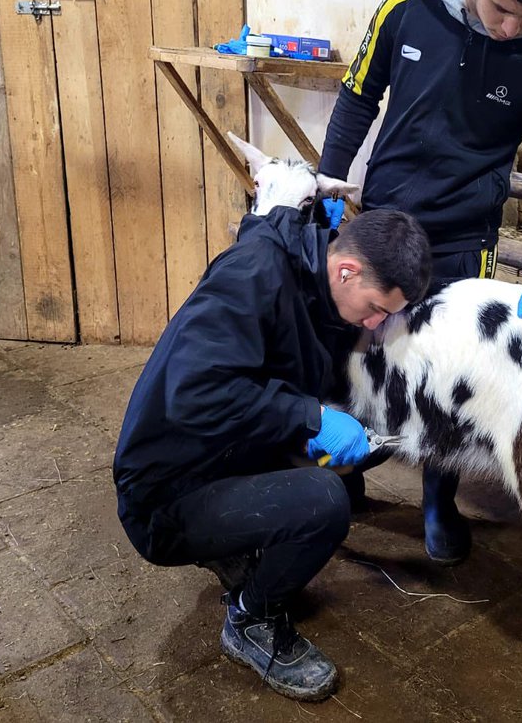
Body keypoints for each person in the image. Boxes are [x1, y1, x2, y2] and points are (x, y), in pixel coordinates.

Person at [318, 0, 522, 567]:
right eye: (499, 7)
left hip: (463, 239)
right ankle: (344, 471)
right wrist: (327, 186)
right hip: (382, 222)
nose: (507, 29)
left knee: (440, 372)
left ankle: (437, 500)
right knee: (351, 346)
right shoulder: (406, 8)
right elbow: (359, 97)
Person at [113, 203, 431, 702]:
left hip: (219, 455)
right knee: (325, 502)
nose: (374, 323)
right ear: (347, 270)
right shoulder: (253, 275)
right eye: (376, 308)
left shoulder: (318, 288)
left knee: (346, 473)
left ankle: (240, 547)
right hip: (163, 493)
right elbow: (195, 394)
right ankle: (250, 621)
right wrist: (312, 420)